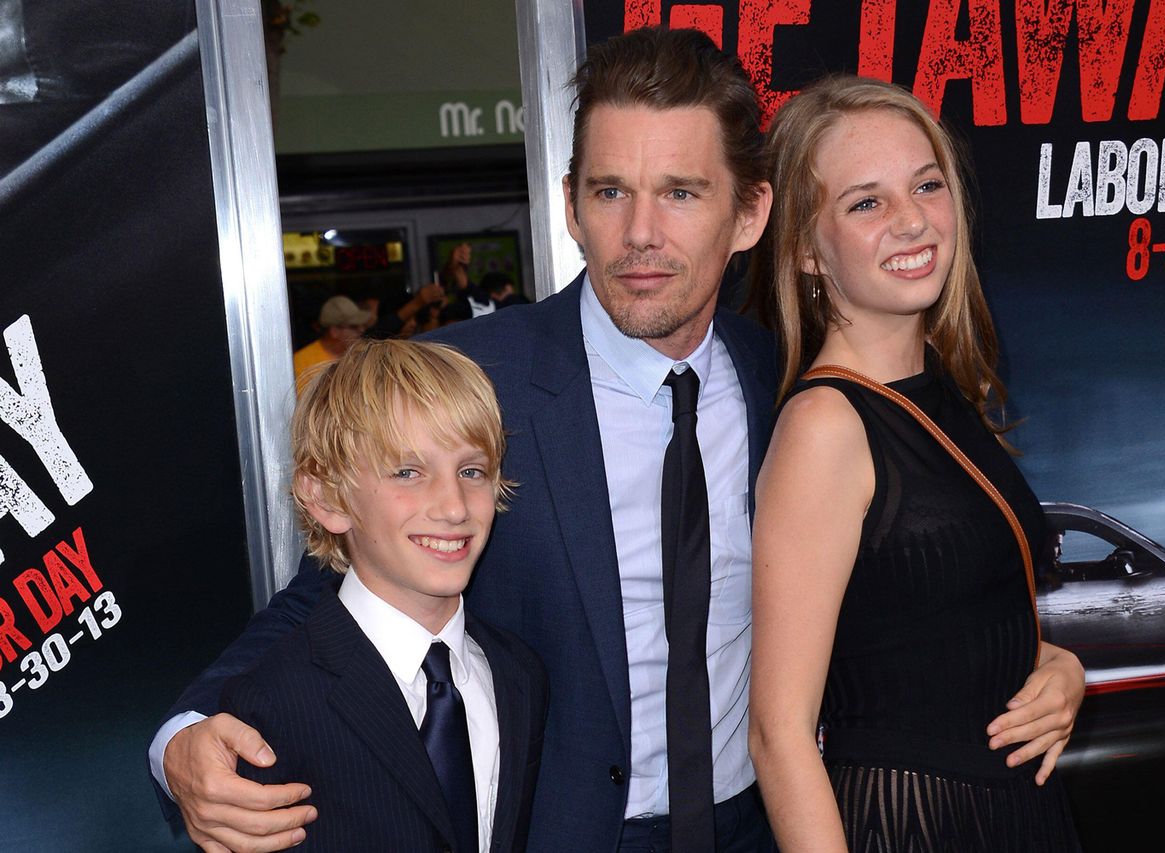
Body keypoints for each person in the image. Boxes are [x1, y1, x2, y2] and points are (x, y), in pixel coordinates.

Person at [151, 28, 780, 852]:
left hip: (757, 826)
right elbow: (330, 587)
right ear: (570, 206)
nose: (640, 233)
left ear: (750, 211)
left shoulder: (783, 375)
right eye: (610, 192)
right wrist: (185, 736)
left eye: (682, 194)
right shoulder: (471, 377)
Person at [747, 75, 1084, 851]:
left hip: (1013, 811)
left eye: (926, 185)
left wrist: (1059, 667)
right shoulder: (825, 427)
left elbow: (929, 630)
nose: (912, 220)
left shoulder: (941, 377)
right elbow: (779, 733)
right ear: (804, 247)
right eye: (866, 203)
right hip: (911, 827)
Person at [220, 338, 547, 851]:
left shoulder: (517, 672)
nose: (454, 506)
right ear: (325, 497)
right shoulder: (270, 703)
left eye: (472, 471)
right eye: (408, 473)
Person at [291, 295, 371, 381]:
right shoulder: (302, 362)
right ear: (334, 331)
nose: (362, 330)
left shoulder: (364, 353)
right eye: (354, 326)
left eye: (362, 325)